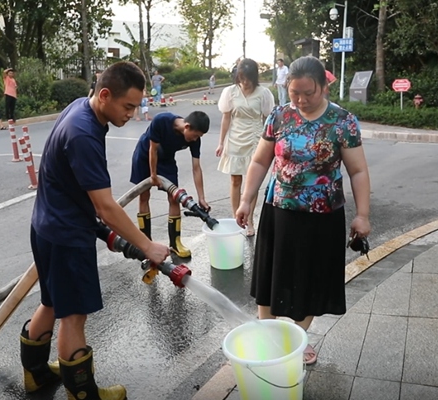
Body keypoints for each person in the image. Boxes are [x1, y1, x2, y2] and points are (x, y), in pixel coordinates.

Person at [20, 61, 171, 400]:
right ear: (104, 95)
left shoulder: (80, 107)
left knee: (50, 301)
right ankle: (82, 393)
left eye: (137, 106)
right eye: (128, 106)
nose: (133, 113)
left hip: (45, 226)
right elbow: (105, 206)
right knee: (73, 316)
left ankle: (36, 374)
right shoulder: (84, 133)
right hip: (67, 236)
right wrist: (147, 246)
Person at [235, 56, 371, 366]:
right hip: (279, 210)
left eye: (308, 92)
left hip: (323, 215)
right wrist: (247, 200)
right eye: (294, 92)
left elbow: (358, 171)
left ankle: (297, 337)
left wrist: (363, 214)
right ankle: (268, 336)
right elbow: (259, 161)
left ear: (324, 86)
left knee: (313, 278)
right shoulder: (280, 116)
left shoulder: (342, 122)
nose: (300, 99)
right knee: (270, 276)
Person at [130, 111, 210, 258]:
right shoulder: (162, 121)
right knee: (144, 196)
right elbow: (152, 149)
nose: (195, 139)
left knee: (174, 198)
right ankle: (145, 243)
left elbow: (196, 168)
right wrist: (153, 175)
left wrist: (202, 198)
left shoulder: (194, 139)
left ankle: (175, 243)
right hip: (145, 155)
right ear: (187, 126)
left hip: (166, 159)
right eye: (196, 135)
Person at [215, 58, 275, 237]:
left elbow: (267, 120)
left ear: (254, 77)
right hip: (235, 138)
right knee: (235, 180)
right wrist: (221, 142)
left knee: (252, 181)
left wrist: (269, 144)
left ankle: (249, 220)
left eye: (248, 78)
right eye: (241, 77)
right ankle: (236, 218)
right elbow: (226, 118)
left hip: (256, 138)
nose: (245, 81)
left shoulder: (263, 93)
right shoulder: (230, 92)